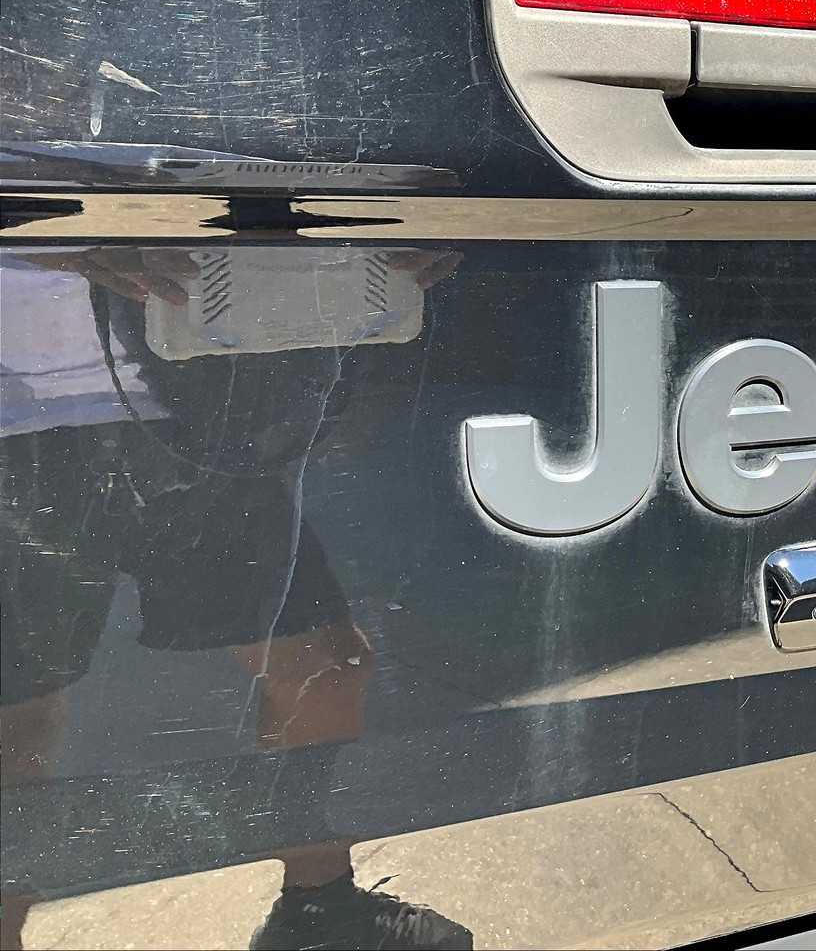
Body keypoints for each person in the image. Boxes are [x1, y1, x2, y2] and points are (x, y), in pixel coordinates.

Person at [0, 243, 470, 951]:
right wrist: (48, 229)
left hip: (195, 396)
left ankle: (319, 911)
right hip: (17, 425)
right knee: (14, 725)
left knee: (323, 667)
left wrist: (375, 233)